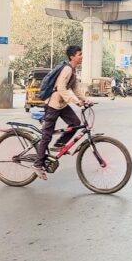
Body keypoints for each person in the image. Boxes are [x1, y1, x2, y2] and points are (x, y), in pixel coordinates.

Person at [33, 45, 87, 180]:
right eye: (79, 54)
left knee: (75, 122)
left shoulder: (73, 70)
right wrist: (76, 102)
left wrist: (85, 100)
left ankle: (59, 144)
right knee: (47, 136)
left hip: (61, 104)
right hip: (53, 105)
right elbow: (61, 88)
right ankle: (37, 164)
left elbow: (75, 88)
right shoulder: (67, 69)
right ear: (72, 57)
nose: (82, 57)